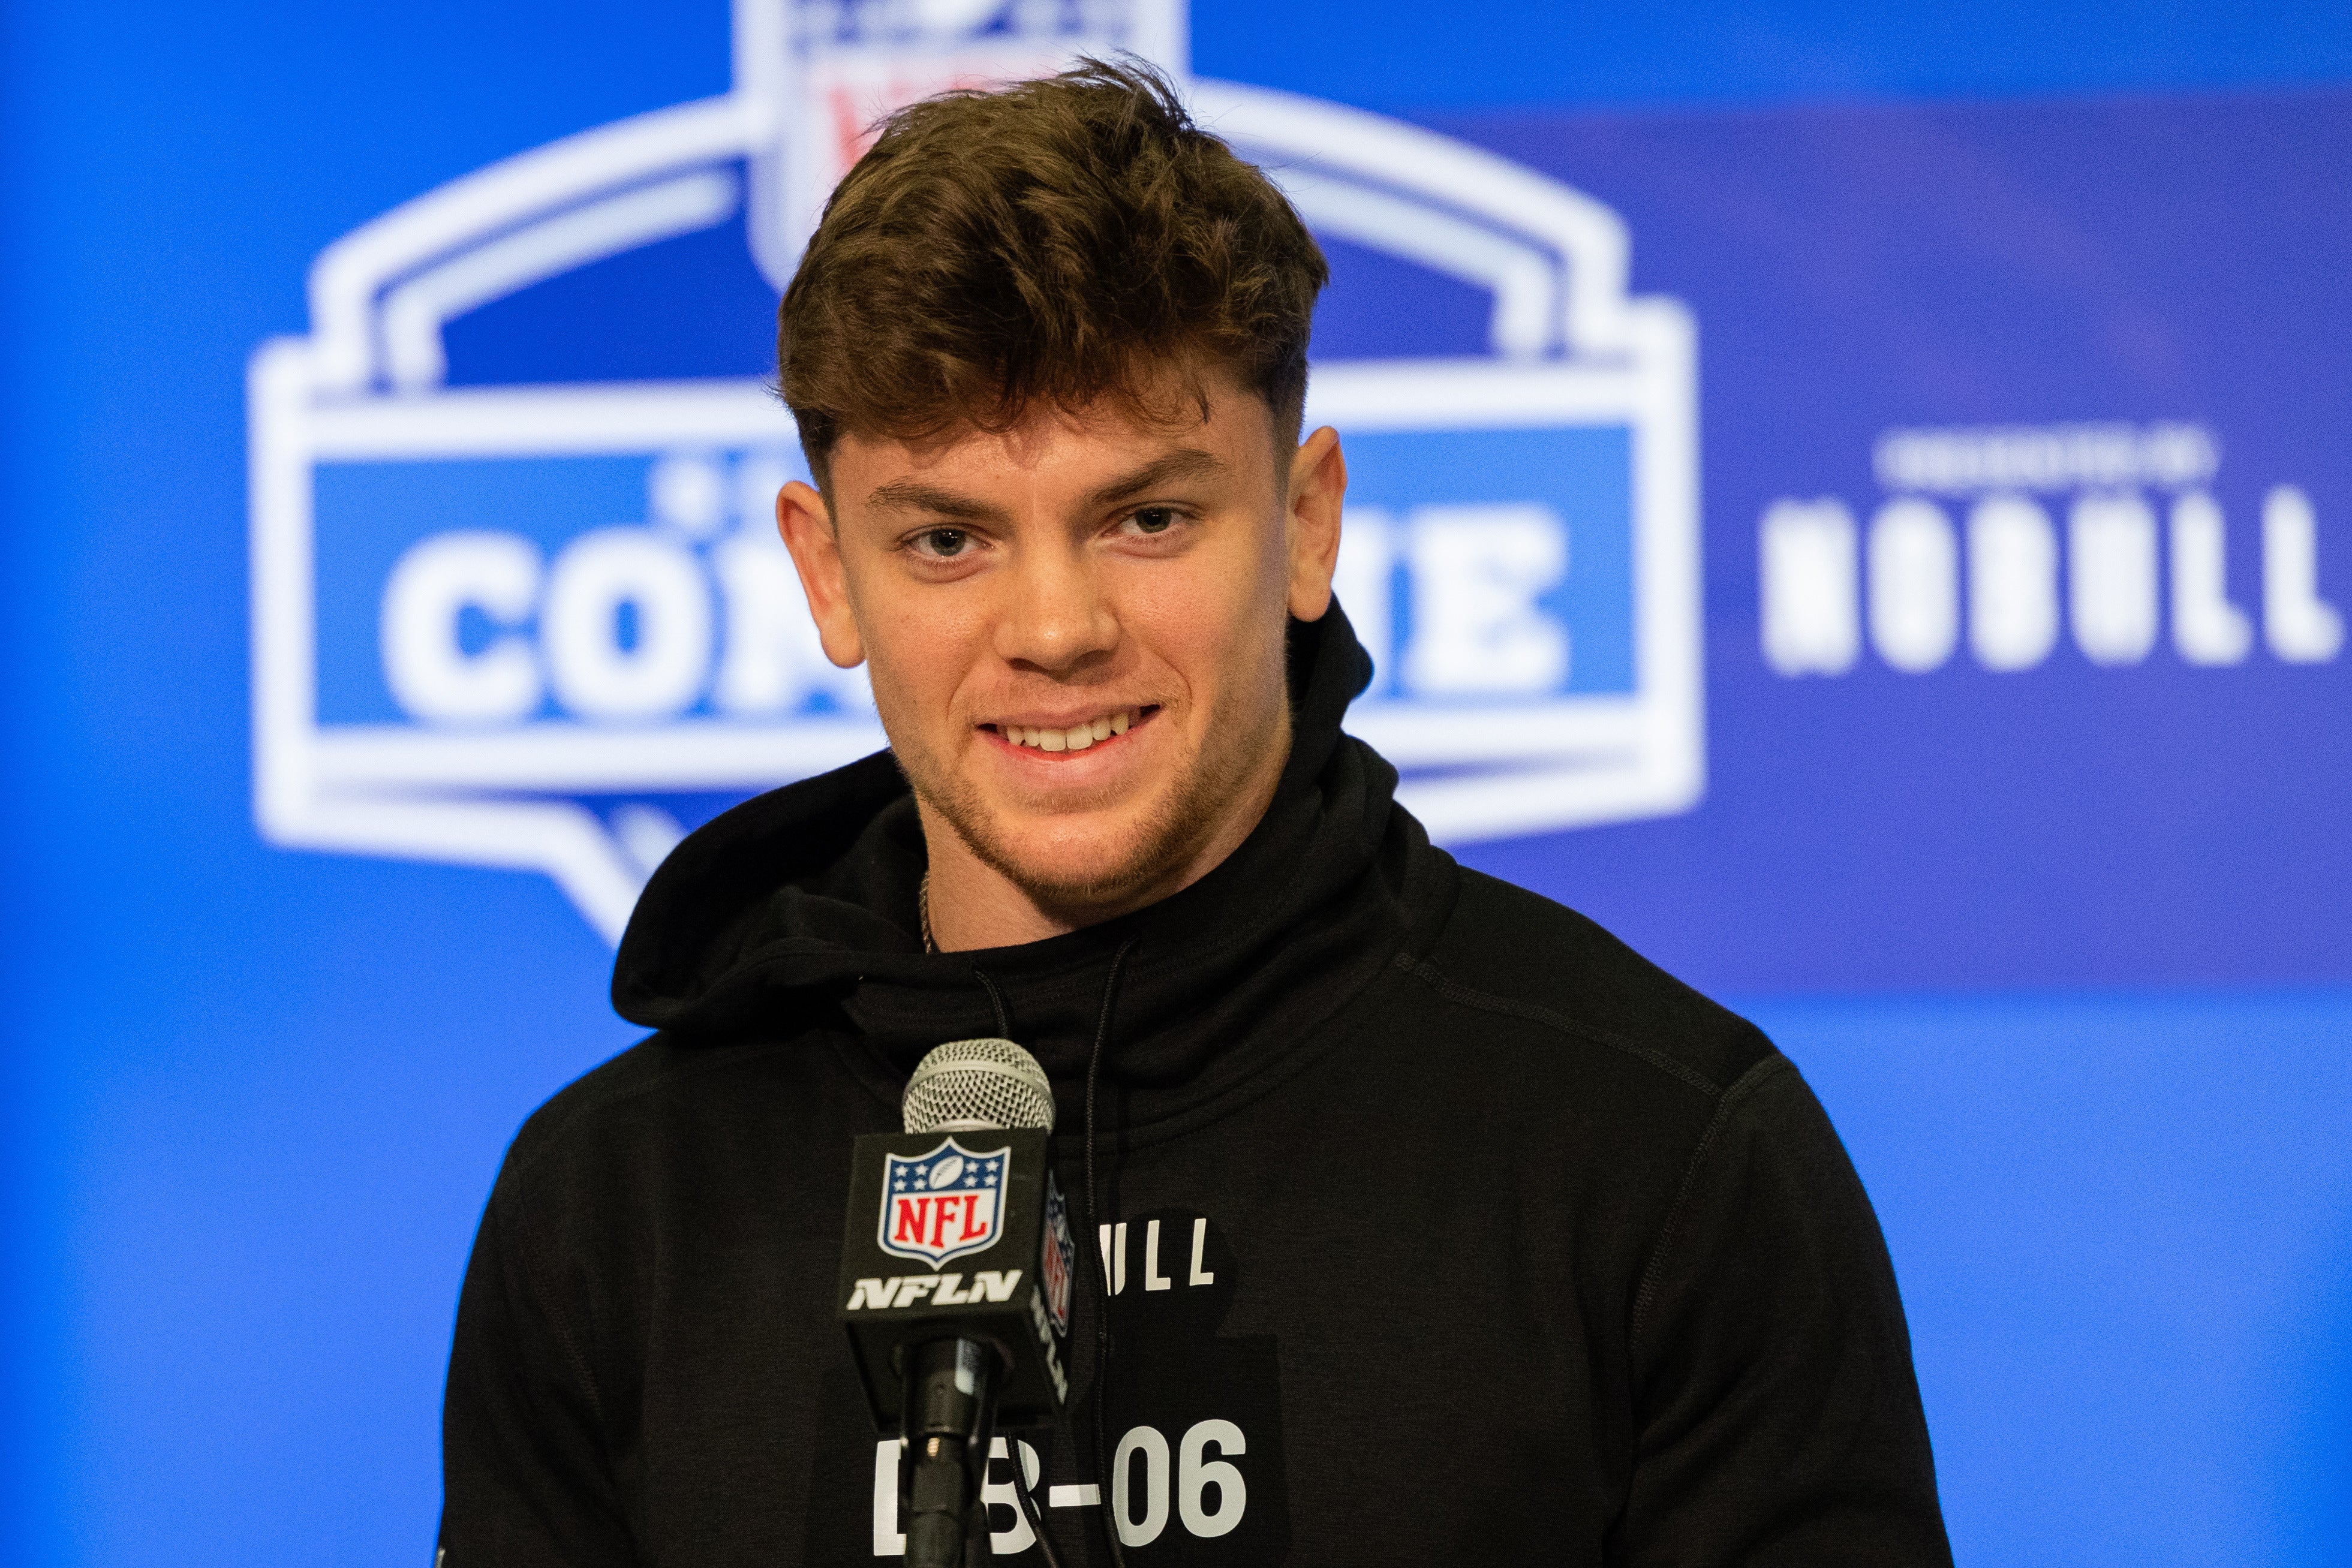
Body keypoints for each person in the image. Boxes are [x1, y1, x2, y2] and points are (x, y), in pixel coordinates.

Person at [438, 59, 1951, 1567]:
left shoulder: (1655, 1158)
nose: (1053, 626)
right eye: (949, 538)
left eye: (1146, 517)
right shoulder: (616, 1212)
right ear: (827, 572)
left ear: (1304, 526)